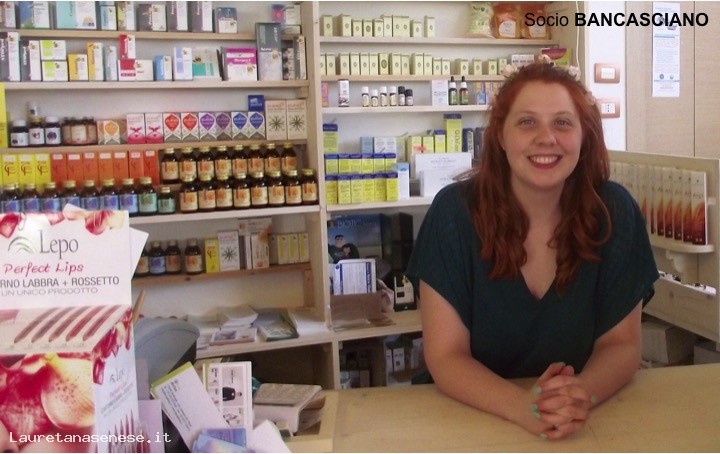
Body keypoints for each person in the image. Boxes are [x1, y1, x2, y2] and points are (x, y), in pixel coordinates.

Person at [406, 61, 658, 441]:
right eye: (527, 122)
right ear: (500, 136)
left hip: (574, 425)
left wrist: (578, 397)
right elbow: (446, 356)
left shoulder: (613, 213)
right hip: (464, 421)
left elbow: (621, 345)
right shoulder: (454, 214)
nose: (546, 138)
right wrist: (524, 407)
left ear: (584, 136)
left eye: (563, 123)